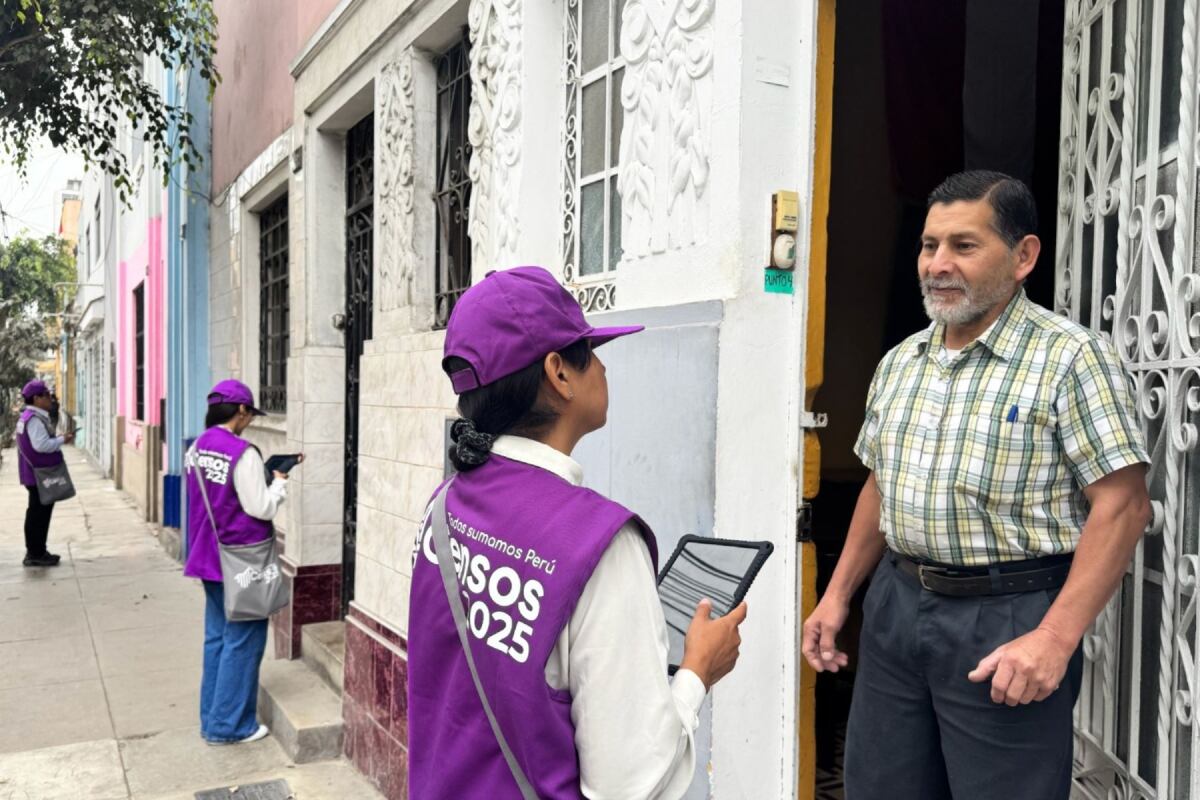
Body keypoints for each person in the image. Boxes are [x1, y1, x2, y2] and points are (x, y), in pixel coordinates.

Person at [802, 171, 1151, 799]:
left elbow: (1122, 508)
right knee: (880, 787)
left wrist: (1053, 638)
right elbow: (882, 485)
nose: (937, 264)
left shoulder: (1070, 359)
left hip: (1008, 616)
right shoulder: (902, 361)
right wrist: (838, 596)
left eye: (964, 246)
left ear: (1023, 256)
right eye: (929, 245)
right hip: (897, 605)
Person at [407, 266, 748, 799]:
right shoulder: (602, 546)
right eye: (589, 350)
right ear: (559, 374)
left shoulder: (444, 506)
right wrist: (697, 671)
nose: (604, 367)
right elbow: (630, 783)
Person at [184, 379, 296, 745]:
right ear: (241, 411)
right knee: (244, 640)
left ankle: (212, 718)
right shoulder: (243, 452)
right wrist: (278, 482)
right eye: (249, 414)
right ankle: (231, 726)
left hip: (208, 556)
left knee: (217, 637)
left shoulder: (197, 447)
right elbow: (259, 506)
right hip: (241, 560)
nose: (249, 421)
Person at [15, 380, 74, 567]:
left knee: (37, 512)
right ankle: (35, 553)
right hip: (39, 473)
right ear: (36, 398)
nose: (51, 398)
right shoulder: (34, 419)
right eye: (46, 395)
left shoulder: (27, 417)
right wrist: (61, 440)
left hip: (33, 472)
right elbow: (41, 445)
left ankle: (37, 550)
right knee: (38, 513)